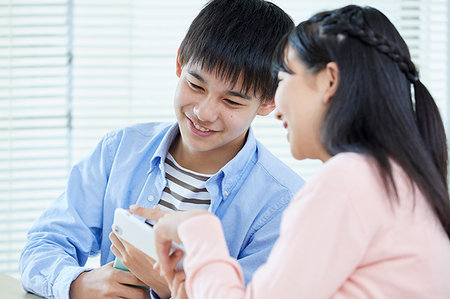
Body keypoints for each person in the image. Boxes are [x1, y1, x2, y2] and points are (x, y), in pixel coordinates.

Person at [140, 4, 450, 298]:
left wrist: (198, 230)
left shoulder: (347, 182)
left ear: (329, 80)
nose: (275, 107)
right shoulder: (398, 180)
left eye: (283, 77)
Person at [19, 1, 303, 298]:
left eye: (231, 102)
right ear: (180, 60)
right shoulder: (120, 150)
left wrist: (170, 285)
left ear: (270, 100)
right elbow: (44, 243)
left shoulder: (284, 204)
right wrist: (78, 283)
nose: (204, 112)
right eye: (195, 85)